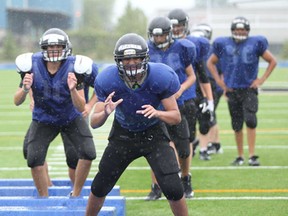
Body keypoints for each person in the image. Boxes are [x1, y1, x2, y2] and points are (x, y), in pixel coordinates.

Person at [86, 33, 188, 216]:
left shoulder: (160, 75)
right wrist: (106, 113)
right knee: (100, 185)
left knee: (173, 186)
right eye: (126, 59)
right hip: (123, 134)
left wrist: (158, 113)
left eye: (136, 58)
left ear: (145, 58)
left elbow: (176, 117)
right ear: (119, 61)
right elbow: (94, 122)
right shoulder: (108, 79)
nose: (132, 63)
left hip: (153, 133)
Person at [14, 28, 97, 197]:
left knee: (87, 154)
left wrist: (74, 91)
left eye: (57, 47)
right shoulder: (31, 64)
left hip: (70, 117)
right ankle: (44, 197)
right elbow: (16, 101)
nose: (53, 51)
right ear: (43, 49)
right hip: (44, 118)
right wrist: (25, 89)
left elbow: (82, 106)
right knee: (33, 159)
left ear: (65, 47)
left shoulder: (77, 67)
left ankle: (76, 194)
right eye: (50, 47)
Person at [207, 16, 277, 166]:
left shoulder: (256, 42)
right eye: (237, 29)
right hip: (232, 89)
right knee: (237, 124)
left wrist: (261, 79)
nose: (240, 32)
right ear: (232, 30)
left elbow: (272, 60)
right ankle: (240, 156)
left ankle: (252, 155)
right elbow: (210, 63)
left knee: (251, 120)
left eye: (243, 29)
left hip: (249, 89)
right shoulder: (223, 43)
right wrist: (220, 81)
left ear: (247, 30)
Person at [146, 16, 196, 200]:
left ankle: (185, 179)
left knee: (183, 148)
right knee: (155, 148)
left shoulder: (183, 48)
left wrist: (180, 89)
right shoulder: (146, 50)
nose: (158, 40)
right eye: (155, 36)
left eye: (162, 36)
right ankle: (156, 186)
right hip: (155, 107)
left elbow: (191, 76)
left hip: (177, 105)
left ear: (169, 34)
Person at [168, 8, 214, 161]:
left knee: (187, 137)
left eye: (179, 26)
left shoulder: (193, 44)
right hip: (166, 98)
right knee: (167, 138)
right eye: (173, 26)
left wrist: (209, 100)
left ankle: (185, 173)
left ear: (185, 25)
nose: (176, 29)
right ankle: (174, 171)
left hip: (188, 97)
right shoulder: (161, 44)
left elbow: (202, 75)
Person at [191, 23, 224, 155]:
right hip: (204, 84)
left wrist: (219, 85)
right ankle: (215, 143)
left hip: (209, 85)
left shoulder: (211, 51)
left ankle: (209, 143)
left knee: (207, 115)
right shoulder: (201, 50)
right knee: (210, 115)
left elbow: (220, 70)